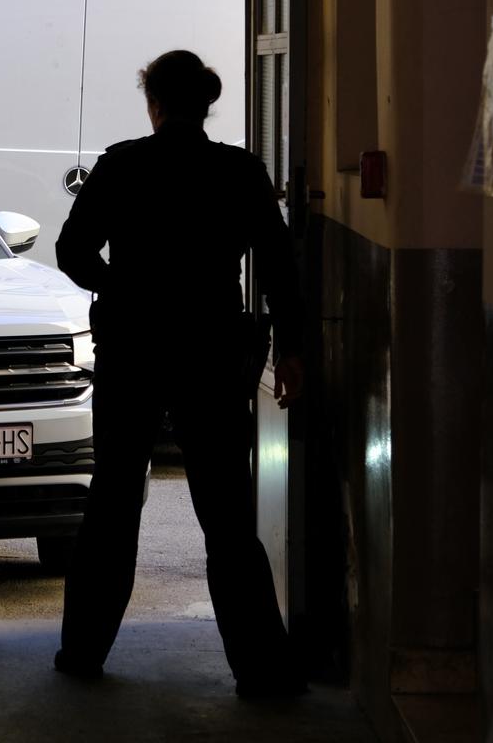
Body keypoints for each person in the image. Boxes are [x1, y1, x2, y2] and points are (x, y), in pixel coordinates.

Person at [52, 48, 307, 700]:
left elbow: (72, 251)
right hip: (212, 354)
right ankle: (262, 670)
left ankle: (83, 652)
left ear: (154, 103)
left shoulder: (122, 165)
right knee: (225, 514)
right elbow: (279, 267)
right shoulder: (239, 172)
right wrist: (292, 351)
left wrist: (122, 289)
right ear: (205, 104)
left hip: (134, 350)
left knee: (111, 501)